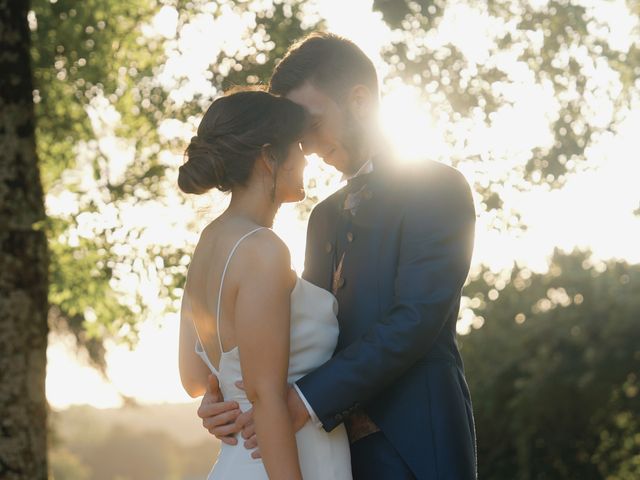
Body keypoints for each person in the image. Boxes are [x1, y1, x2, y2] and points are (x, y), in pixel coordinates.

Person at [198, 32, 478, 479]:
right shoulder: (323, 218)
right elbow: (297, 336)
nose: (304, 143)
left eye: (311, 122)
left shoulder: (437, 188)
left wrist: (304, 401)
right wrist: (224, 396)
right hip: (327, 453)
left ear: (360, 101)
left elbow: (417, 318)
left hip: (413, 447)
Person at [178, 88, 352, 480]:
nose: (306, 159)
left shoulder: (208, 243)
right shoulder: (263, 251)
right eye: (298, 148)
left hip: (239, 463)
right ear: (269, 157)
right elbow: (266, 397)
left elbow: (192, 376)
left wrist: (218, 399)